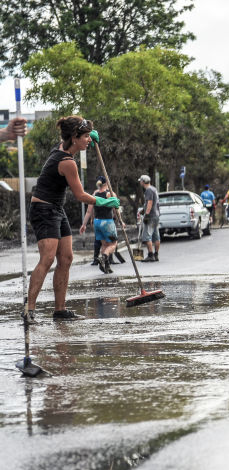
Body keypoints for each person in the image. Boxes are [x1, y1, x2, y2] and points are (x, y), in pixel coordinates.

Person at [24, 117, 119, 323]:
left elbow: (72, 131)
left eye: (88, 136)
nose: (88, 141)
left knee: (66, 258)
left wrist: (89, 132)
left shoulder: (63, 146)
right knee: (47, 259)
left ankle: (60, 310)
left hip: (57, 208)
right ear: (74, 138)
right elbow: (81, 195)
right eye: (84, 137)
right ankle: (29, 310)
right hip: (43, 209)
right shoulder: (67, 162)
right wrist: (104, 202)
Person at [80, 176, 118, 274]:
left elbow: (89, 211)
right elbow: (115, 209)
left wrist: (84, 224)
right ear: (106, 183)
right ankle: (104, 257)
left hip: (97, 222)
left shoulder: (94, 194)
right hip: (107, 223)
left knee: (104, 244)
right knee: (113, 244)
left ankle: (107, 266)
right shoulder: (111, 194)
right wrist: (121, 221)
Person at [138, 174, 160, 262]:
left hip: (150, 216)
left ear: (143, 182)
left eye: (140, 181)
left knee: (147, 236)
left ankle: (150, 255)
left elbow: (150, 203)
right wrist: (143, 210)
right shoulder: (154, 189)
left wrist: (146, 215)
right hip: (156, 215)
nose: (140, 182)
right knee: (156, 236)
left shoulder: (148, 190)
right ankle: (156, 254)